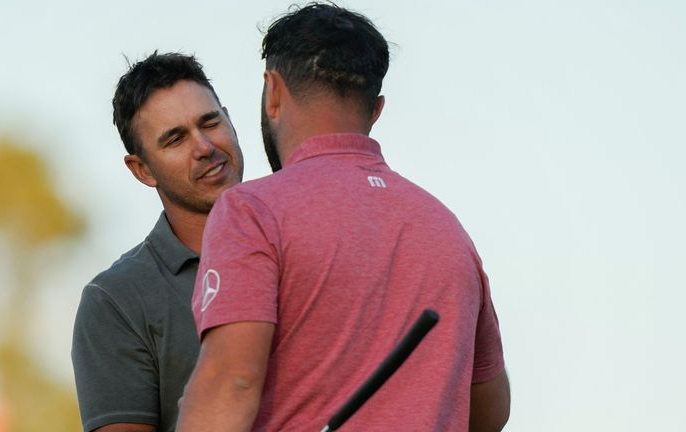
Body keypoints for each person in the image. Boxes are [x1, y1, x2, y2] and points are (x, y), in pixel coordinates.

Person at [177, 4, 510, 432]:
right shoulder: (446, 228)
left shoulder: (252, 210)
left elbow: (232, 382)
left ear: (273, 91)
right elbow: (490, 407)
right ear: (376, 109)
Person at [71, 52, 243, 432]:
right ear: (143, 169)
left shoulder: (303, 239)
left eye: (210, 122)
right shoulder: (116, 299)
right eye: (176, 139)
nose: (204, 146)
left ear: (230, 120)